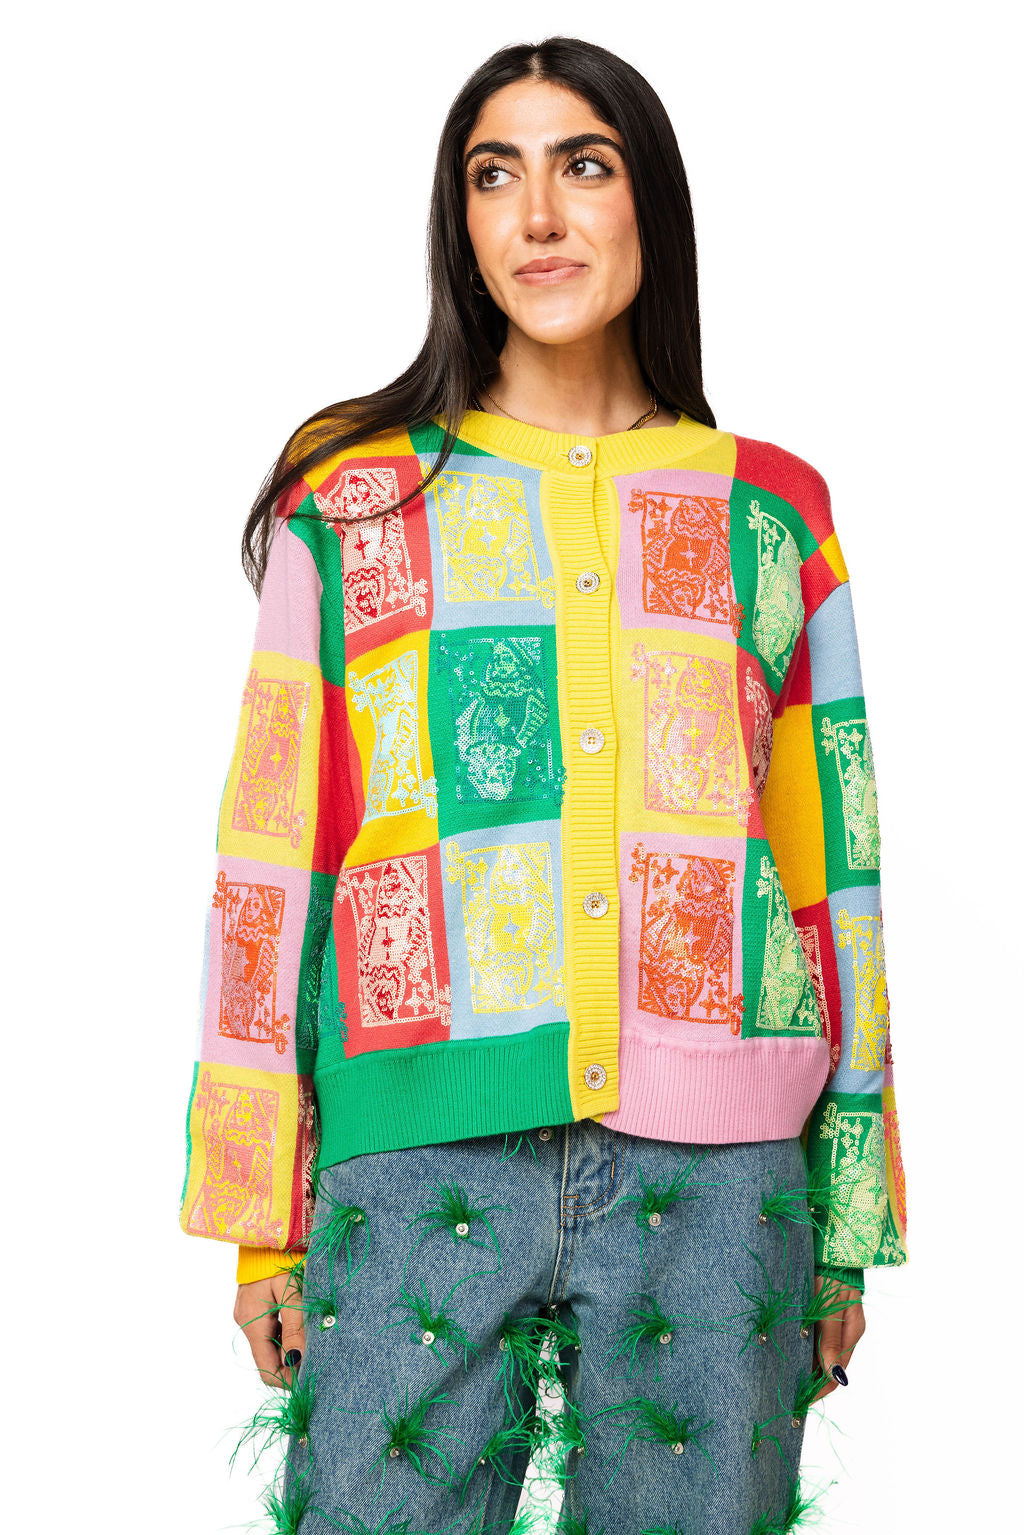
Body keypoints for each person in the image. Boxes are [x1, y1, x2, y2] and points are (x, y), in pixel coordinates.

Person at [179, 34, 907, 1535]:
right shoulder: (358, 505)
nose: (539, 215)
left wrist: (843, 1221)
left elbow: (834, 869)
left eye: (585, 164)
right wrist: (263, 1223)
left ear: (652, 205)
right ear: (461, 224)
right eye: (493, 175)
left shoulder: (770, 511)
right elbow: (271, 867)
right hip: (415, 1156)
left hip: (721, 1178)